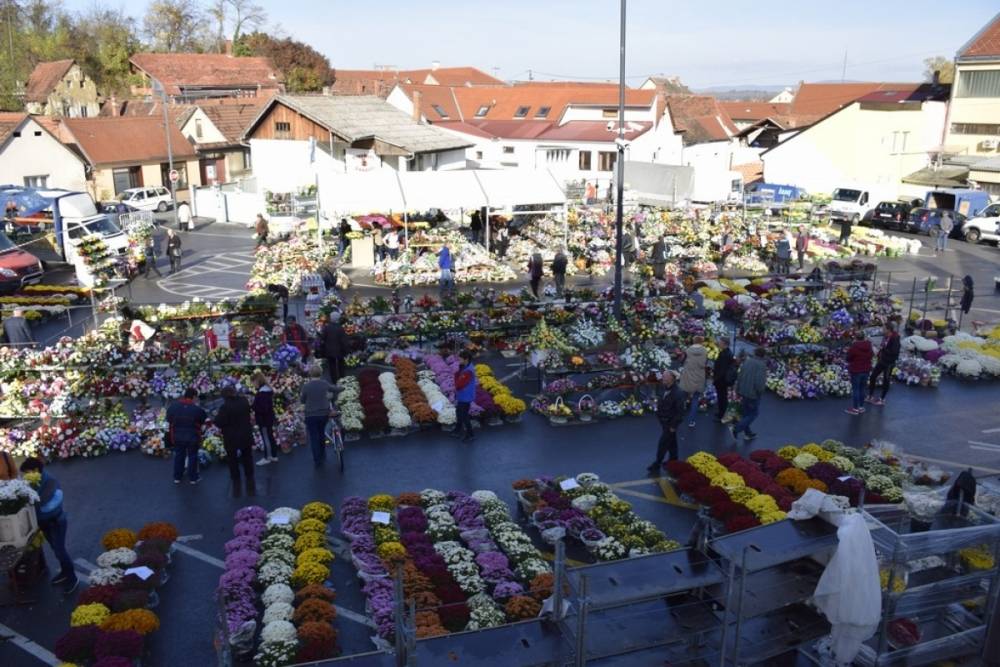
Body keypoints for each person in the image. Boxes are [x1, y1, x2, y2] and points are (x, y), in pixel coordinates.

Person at [19, 458, 78, 593]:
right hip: (45, 522)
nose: (24, 476)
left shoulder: (49, 481)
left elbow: (41, 502)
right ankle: (64, 572)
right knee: (55, 548)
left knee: (60, 550)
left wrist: (28, 497)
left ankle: (72, 578)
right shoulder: (32, 482)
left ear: (35, 471)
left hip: (56, 521)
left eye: (27, 473)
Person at [214, 385, 256, 497]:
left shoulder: (225, 407)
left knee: (232, 458)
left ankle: (236, 477)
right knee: (247, 456)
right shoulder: (243, 401)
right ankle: (249, 474)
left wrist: (216, 417)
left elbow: (219, 422)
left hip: (231, 436)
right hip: (245, 433)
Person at [301, 364, 340, 467]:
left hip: (310, 415)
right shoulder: (324, 384)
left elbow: (302, 400)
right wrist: (343, 387)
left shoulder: (306, 386)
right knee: (321, 433)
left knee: (314, 436)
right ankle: (323, 454)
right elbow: (335, 389)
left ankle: (317, 460)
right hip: (323, 413)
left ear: (310, 374)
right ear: (321, 373)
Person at [166, 388, 207, 484]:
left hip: (177, 436)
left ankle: (177, 477)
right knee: (192, 456)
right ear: (193, 397)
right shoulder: (197, 409)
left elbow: (169, 419)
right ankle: (193, 478)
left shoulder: (173, 407)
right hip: (192, 436)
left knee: (179, 456)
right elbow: (203, 420)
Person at [647, 370, 685, 473]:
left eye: (665, 377)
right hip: (664, 421)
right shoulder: (665, 388)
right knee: (672, 442)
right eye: (663, 376)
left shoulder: (678, 393)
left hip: (670, 423)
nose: (662, 378)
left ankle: (657, 463)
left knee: (663, 443)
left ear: (672, 379)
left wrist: (674, 425)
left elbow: (680, 412)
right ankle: (674, 460)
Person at [731, 347, 767, 442]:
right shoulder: (762, 365)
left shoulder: (747, 362)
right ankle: (736, 428)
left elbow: (740, 376)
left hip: (743, 391)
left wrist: (737, 389)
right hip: (753, 394)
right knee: (753, 414)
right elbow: (759, 382)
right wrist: (760, 392)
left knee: (745, 413)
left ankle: (748, 433)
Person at [867, 322, 900, 406]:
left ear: (888, 330)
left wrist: (883, 349)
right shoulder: (886, 336)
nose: (882, 330)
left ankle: (882, 399)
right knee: (873, 376)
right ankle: (870, 395)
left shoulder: (895, 338)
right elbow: (883, 346)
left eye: (884, 328)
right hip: (882, 360)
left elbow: (894, 352)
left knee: (886, 380)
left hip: (889, 363)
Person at [679, 336, 708, 428]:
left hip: (687, 376)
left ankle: (678, 416)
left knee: (682, 397)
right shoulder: (704, 351)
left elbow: (682, 361)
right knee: (695, 400)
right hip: (699, 377)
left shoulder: (688, 350)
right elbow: (704, 364)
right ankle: (691, 421)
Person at [252, 371, 278, 465]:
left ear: (257, 381)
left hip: (264, 419)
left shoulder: (262, 393)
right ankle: (273, 455)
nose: (253, 384)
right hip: (268, 418)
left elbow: (263, 408)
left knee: (266, 437)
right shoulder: (267, 391)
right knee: (270, 436)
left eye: (253, 382)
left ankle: (268, 457)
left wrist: (253, 406)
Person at [845, 330, 874, 415]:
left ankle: (855, 408)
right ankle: (861, 407)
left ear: (855, 337)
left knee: (856, 389)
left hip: (856, 370)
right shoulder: (869, 345)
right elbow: (871, 355)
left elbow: (848, 358)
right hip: (866, 369)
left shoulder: (854, 347)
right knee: (862, 388)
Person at [453, 350, 477, 442]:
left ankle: (470, 434)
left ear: (466, 359)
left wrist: (456, 375)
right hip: (463, 395)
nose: (459, 360)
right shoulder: (466, 367)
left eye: (460, 359)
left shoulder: (468, 371)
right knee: (459, 412)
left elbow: (459, 385)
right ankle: (457, 430)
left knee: (464, 415)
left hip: (465, 396)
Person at [322, 311, 351, 382]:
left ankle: (334, 380)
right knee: (341, 365)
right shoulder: (340, 328)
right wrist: (347, 350)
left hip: (329, 350)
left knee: (332, 366)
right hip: (339, 350)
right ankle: (341, 379)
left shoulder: (327, 327)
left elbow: (323, 338)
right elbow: (344, 340)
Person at [712, 338, 736, 421]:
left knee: (722, 397)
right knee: (722, 396)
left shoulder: (725, 354)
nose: (719, 344)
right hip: (723, 380)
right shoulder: (727, 353)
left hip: (722, 380)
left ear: (725, 343)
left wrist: (716, 378)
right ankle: (721, 412)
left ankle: (721, 415)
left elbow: (722, 369)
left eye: (720, 342)